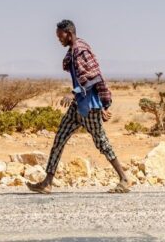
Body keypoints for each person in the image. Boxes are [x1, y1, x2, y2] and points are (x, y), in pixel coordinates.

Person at [26, 19, 131, 194]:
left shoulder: (81, 51)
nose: (59, 39)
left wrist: (77, 93)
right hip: (78, 105)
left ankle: (124, 178)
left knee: (101, 142)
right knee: (59, 138)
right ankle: (47, 182)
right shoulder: (73, 51)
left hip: (89, 107)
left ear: (69, 33)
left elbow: (95, 77)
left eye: (60, 36)